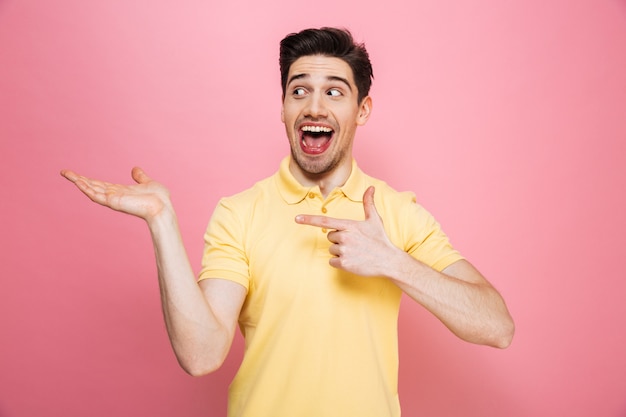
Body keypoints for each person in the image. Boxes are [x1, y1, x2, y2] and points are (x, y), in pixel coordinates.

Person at [61, 27, 514, 417]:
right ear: (283, 107)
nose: (314, 107)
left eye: (334, 91)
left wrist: (394, 262)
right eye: (299, 90)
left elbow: (497, 327)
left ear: (363, 111)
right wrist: (161, 222)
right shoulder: (239, 212)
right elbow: (201, 355)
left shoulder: (397, 211)